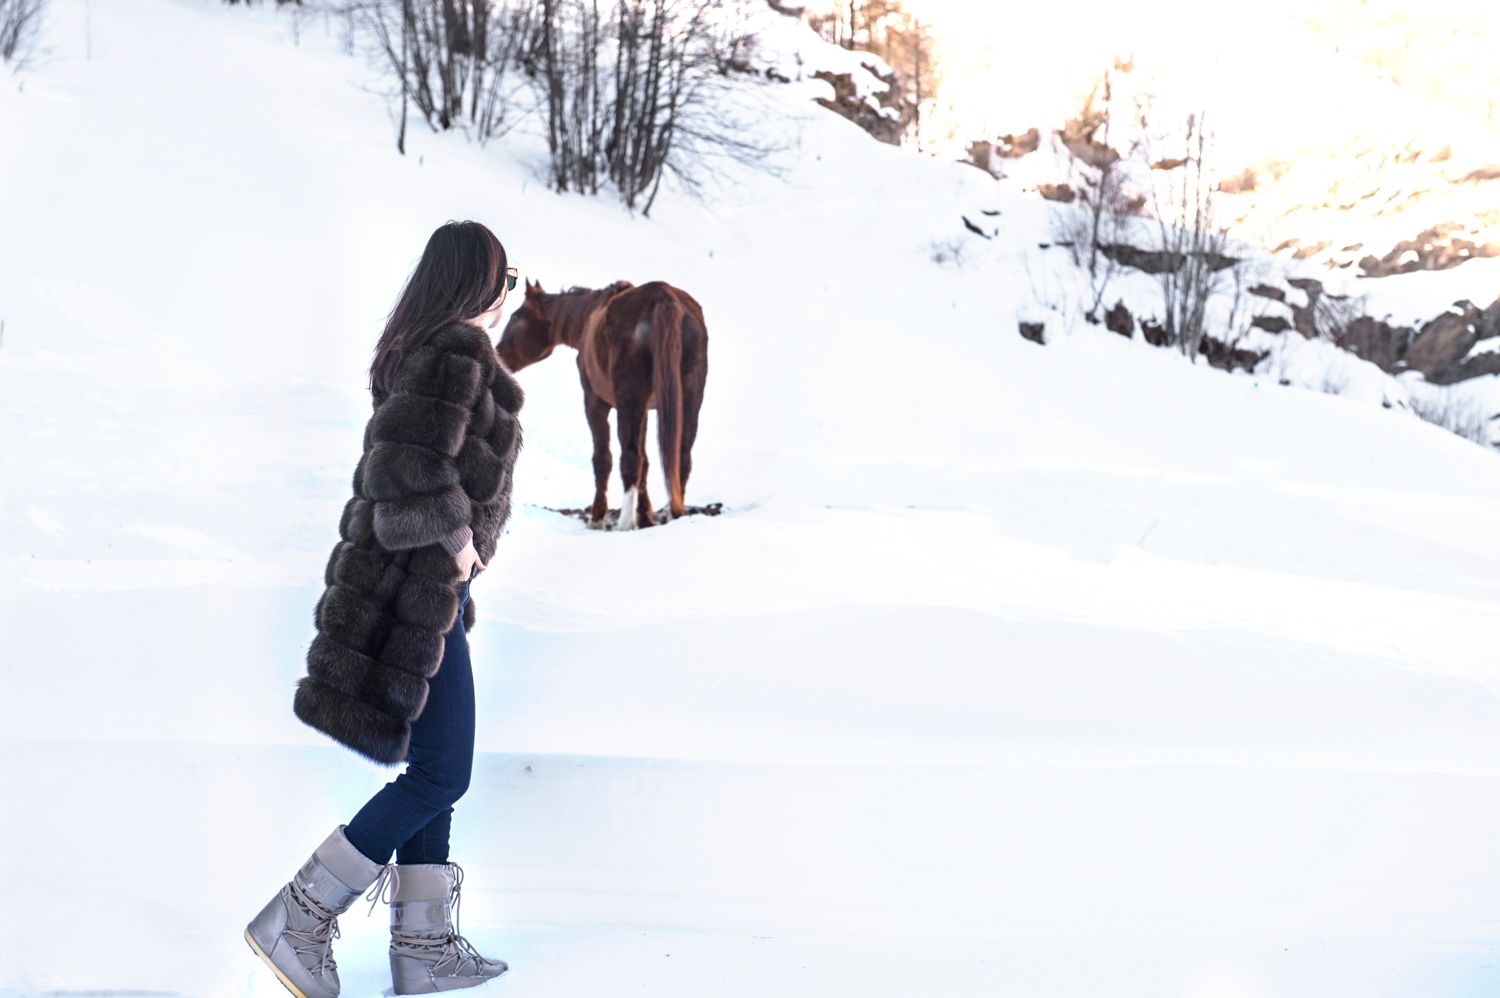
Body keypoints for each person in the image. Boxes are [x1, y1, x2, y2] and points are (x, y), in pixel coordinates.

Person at [245, 221, 525, 998]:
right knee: (444, 769)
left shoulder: (428, 348)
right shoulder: (453, 353)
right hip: (417, 589)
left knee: (433, 764)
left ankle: (422, 946)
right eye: (505, 276)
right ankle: (300, 915)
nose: (510, 292)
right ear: (476, 281)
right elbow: (404, 469)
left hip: (418, 593)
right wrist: (462, 542)